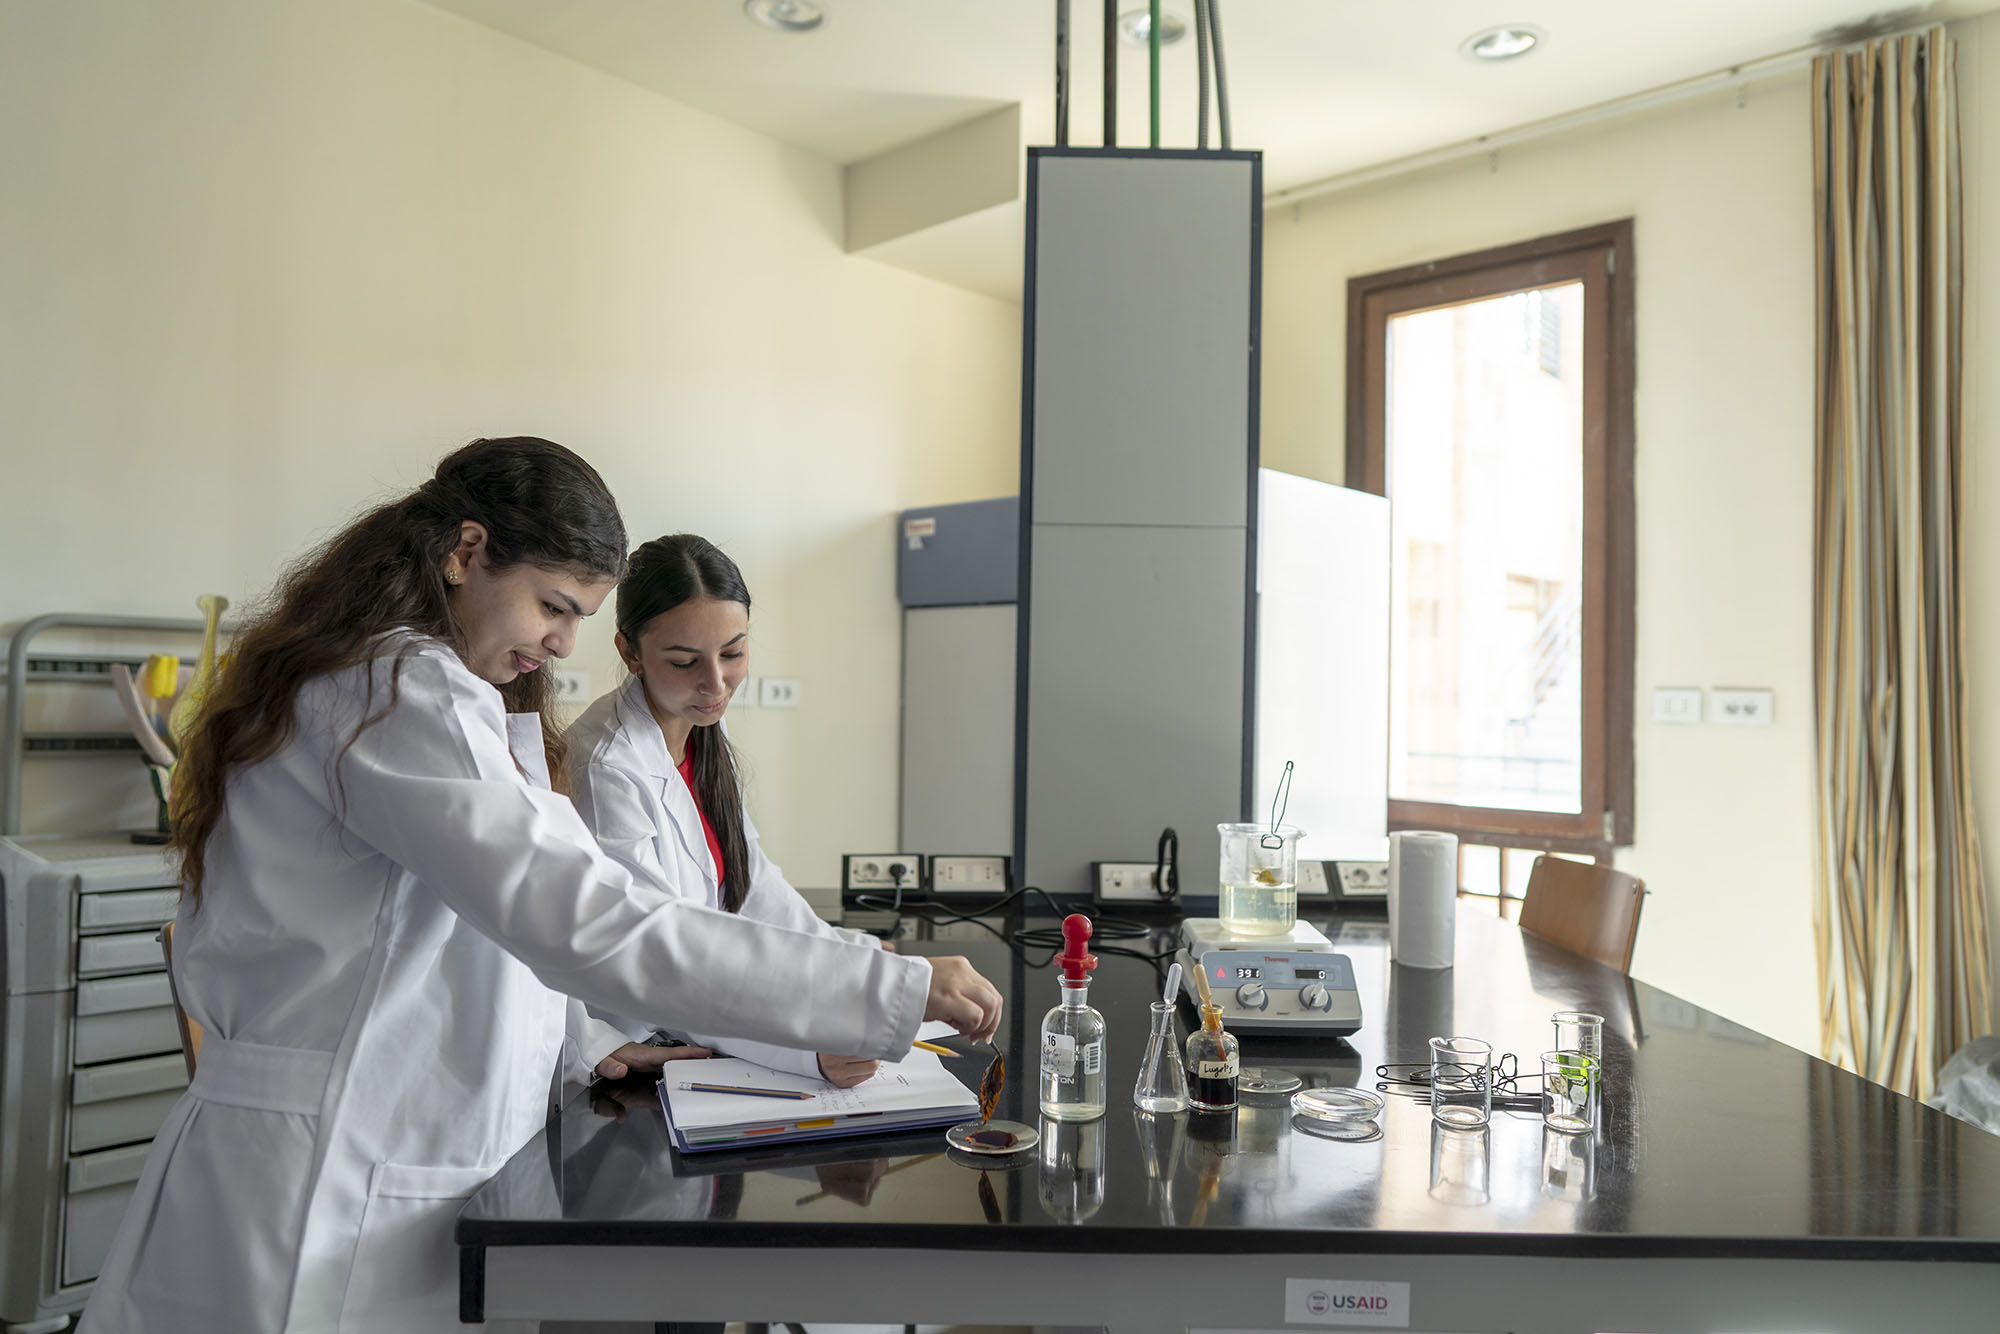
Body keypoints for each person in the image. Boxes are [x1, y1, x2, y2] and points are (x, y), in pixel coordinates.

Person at [80, 439, 1002, 1333]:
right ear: (466, 552)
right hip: (324, 1176)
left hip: (411, 1154)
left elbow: (499, 927)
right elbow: (588, 922)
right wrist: (890, 988)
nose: (560, 645)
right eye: (553, 607)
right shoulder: (395, 694)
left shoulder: (437, 696)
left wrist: (583, 1039)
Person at [567, 535, 890, 1086]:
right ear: (629, 652)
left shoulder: (698, 736)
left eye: (733, 653)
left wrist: (859, 965)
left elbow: (755, 889)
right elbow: (665, 958)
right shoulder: (606, 767)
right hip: (640, 1046)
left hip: (701, 1029)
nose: (715, 683)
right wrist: (803, 1053)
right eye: (685, 661)